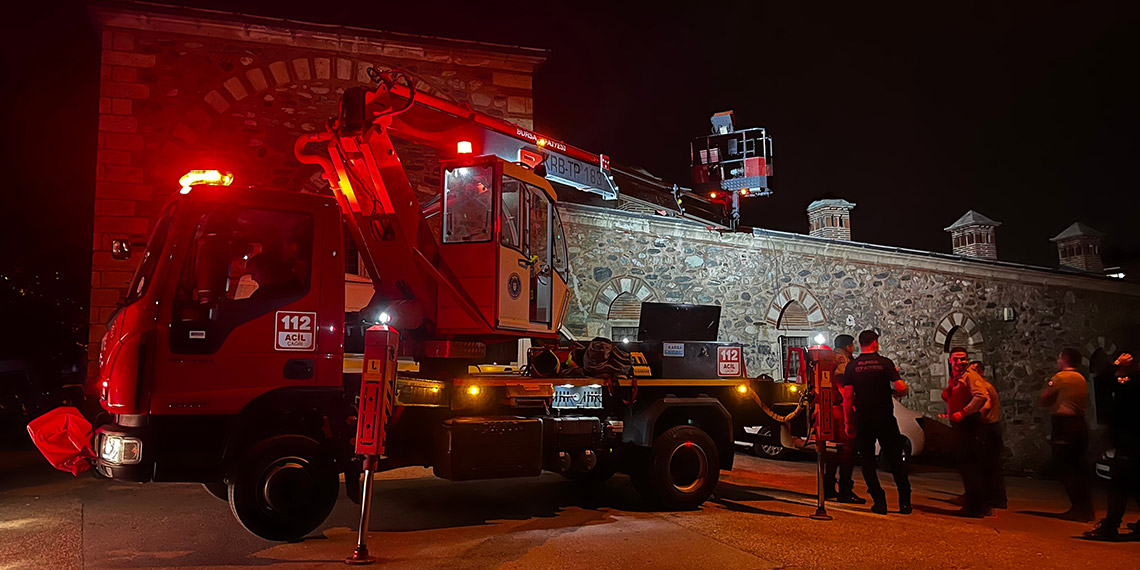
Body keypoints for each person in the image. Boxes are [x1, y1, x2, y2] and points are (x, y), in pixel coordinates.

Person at [843, 330, 911, 515]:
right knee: (896, 460)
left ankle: (879, 502)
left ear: (860, 343)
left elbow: (848, 397)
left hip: (864, 419)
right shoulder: (885, 363)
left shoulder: (852, 366)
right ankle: (905, 502)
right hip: (885, 418)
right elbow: (901, 387)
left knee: (867, 461)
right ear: (875, 342)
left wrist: (848, 422)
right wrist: (898, 392)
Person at [1084, 351, 1140, 539]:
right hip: (1128, 440)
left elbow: (1103, 382)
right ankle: (1111, 524)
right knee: (1131, 482)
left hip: (1131, 441)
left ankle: (1110, 526)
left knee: (1120, 483)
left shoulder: (1134, 384)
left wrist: (1116, 365)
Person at [1040, 348, 1094, 522]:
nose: (1057, 360)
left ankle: (1079, 507)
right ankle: (1086, 507)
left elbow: (1045, 398)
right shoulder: (1081, 378)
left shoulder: (1060, 378)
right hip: (1080, 424)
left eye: (1059, 357)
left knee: (1065, 467)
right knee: (1078, 467)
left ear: (1065, 359)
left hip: (1065, 425)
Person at [942, 347, 992, 517]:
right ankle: (978, 505)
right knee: (967, 467)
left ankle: (976, 507)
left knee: (971, 467)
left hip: (969, 424)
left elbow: (981, 396)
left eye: (963, 359)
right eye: (956, 359)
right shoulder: (956, 377)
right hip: (961, 425)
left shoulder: (970, 376)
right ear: (950, 360)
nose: (960, 362)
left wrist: (963, 412)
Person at [824, 334, 865, 504]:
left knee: (833, 452)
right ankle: (845, 491)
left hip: (830, 409)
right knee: (847, 452)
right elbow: (842, 385)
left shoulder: (828, 358)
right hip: (841, 410)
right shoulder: (843, 360)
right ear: (849, 346)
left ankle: (828, 488)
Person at [971, 361, 1008, 510]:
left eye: (972, 371)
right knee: (991, 466)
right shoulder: (986, 386)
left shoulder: (983, 387)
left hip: (987, 428)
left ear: (979, 372)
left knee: (986, 466)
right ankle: (996, 498)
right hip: (992, 428)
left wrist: (972, 417)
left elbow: (985, 406)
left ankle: (990, 499)